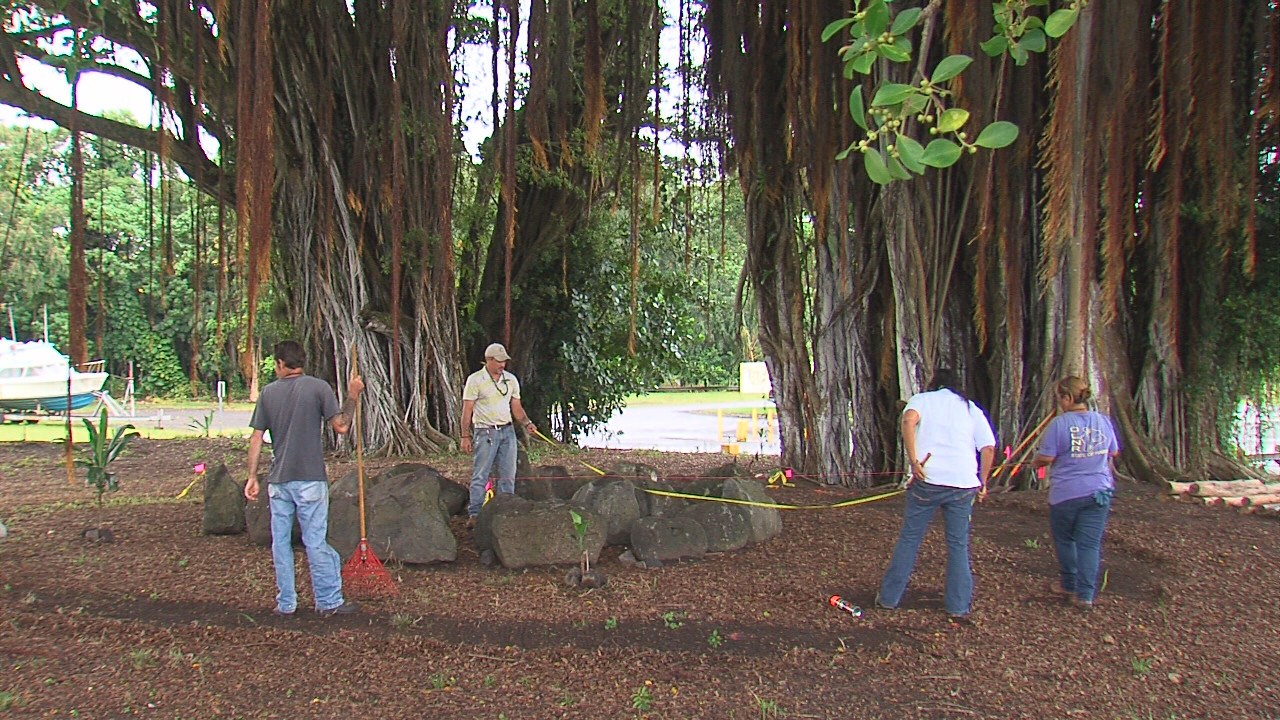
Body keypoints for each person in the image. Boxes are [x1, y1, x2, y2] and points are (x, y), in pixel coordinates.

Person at [245, 340, 364, 617]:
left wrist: (252, 476)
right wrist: (353, 395)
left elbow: (255, 438)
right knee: (315, 541)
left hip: (278, 481)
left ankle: (286, 603)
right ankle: (328, 601)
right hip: (310, 479)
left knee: (281, 543)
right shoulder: (319, 387)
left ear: (279, 364)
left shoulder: (267, 393)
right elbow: (342, 426)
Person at [876, 369, 996, 620]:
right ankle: (958, 606)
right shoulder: (970, 408)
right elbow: (988, 447)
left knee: (910, 538)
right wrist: (982, 481)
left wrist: (914, 461)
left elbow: (908, 420)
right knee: (958, 544)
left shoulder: (922, 399)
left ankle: (888, 599)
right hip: (963, 483)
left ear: (935, 385)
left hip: (928, 479)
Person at [1032, 376, 1120, 610]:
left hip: (1066, 494)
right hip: (1098, 492)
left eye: (1060, 398)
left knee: (1065, 540)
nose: (1060, 403)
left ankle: (1069, 584)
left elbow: (1047, 458)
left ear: (1068, 398)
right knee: (1089, 545)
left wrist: (1035, 462)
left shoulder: (1059, 424)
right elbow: (1113, 452)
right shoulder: (1103, 421)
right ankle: (1085, 596)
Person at [460, 342, 537, 527]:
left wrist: (527, 422)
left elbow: (516, 406)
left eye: (504, 361)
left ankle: (506, 510)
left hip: (507, 430)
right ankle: (475, 513)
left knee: (508, 473)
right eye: (499, 361)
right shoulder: (476, 380)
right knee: (481, 473)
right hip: (485, 431)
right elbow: (467, 409)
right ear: (489, 360)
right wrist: (464, 436)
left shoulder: (510, 380)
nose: (502, 365)